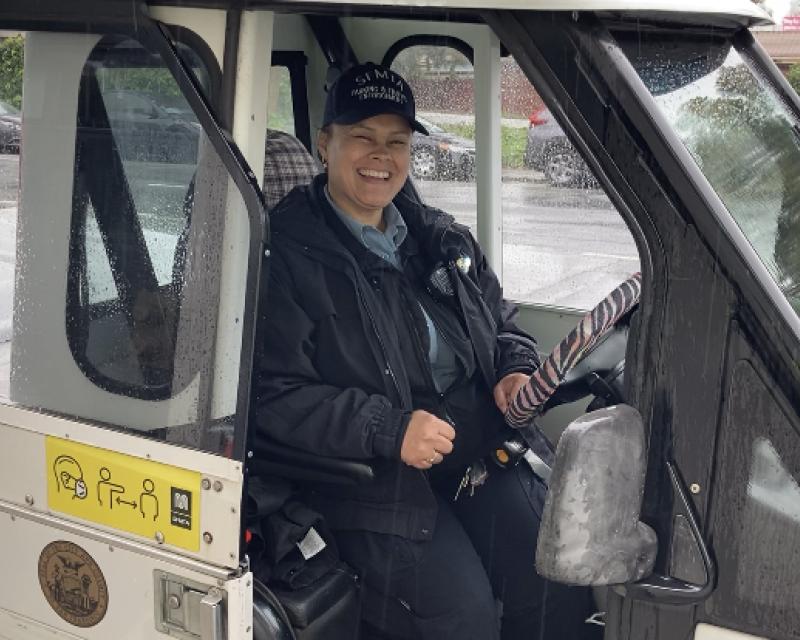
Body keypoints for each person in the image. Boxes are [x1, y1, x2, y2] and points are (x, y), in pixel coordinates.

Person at [255, 62, 601, 639]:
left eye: (396, 141)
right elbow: (272, 395)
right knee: (462, 620)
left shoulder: (437, 236)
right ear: (325, 143)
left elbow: (502, 320)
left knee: (555, 579)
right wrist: (388, 429)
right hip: (371, 482)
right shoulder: (285, 255)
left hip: (475, 454)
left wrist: (513, 368)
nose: (380, 155)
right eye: (362, 136)